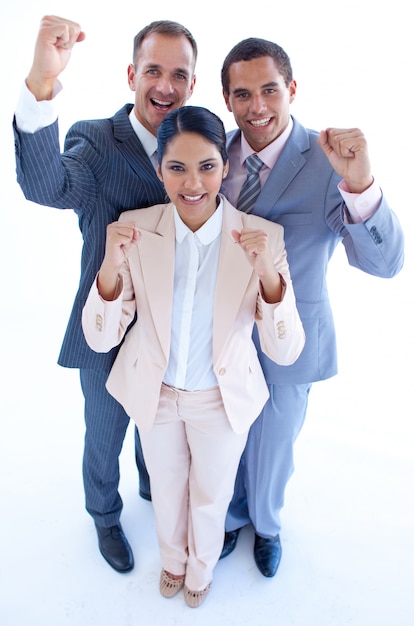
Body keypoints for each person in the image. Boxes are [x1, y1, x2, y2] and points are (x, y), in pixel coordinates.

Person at [81, 105, 305, 606]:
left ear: (225, 167)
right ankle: (173, 563)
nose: (192, 183)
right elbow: (100, 337)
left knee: (211, 495)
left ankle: (201, 572)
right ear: (159, 170)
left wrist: (269, 275)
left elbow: (285, 350)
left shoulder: (262, 237)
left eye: (206, 166)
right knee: (166, 489)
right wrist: (111, 267)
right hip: (156, 393)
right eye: (177, 168)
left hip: (218, 400)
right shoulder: (136, 228)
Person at [13, 15, 197, 573]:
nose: (164, 85)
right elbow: (46, 185)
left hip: (174, 331)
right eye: (152, 71)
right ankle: (103, 513)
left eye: (178, 74)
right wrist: (42, 82)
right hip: (106, 330)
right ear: (131, 74)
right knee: (105, 432)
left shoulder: (199, 144)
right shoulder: (96, 141)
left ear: (193, 83)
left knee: (158, 426)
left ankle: (151, 482)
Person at [219, 38, 405, 578]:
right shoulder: (214, 152)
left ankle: (267, 525)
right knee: (227, 430)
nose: (258, 106)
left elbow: (386, 263)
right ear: (227, 99)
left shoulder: (329, 162)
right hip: (220, 333)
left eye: (270, 90)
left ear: (292, 89)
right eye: (243, 94)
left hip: (291, 335)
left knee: (274, 440)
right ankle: (230, 517)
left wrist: (362, 183)